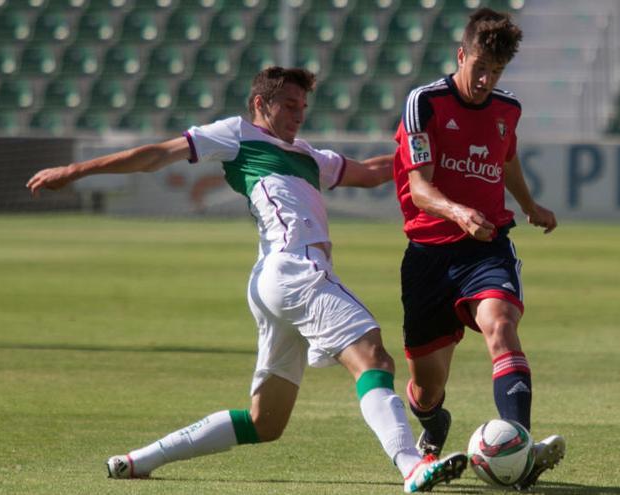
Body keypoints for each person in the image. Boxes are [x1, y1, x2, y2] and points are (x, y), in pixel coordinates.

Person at [27, 67, 467, 493]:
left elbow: (372, 173)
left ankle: (138, 461)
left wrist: (432, 155)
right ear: (262, 103)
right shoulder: (237, 134)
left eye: (304, 107)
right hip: (297, 270)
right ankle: (412, 466)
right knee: (373, 358)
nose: (299, 114)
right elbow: (156, 155)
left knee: (265, 423)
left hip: (274, 282)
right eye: (290, 105)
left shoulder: (310, 156)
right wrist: (76, 171)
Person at [391, 8, 565, 490]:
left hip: (486, 247)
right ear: (461, 54)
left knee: (502, 326)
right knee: (427, 389)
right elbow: (420, 189)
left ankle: (520, 449)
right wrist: (458, 212)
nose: (486, 80)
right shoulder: (424, 102)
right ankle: (433, 421)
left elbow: (505, 156)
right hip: (428, 255)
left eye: (497, 71)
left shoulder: (508, 109)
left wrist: (529, 204)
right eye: (480, 67)